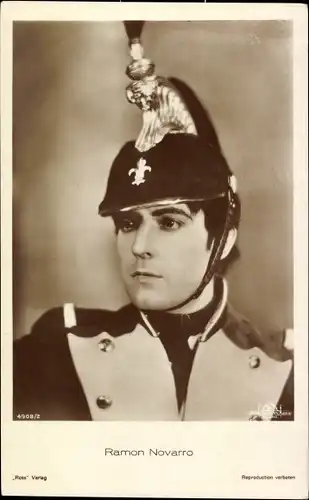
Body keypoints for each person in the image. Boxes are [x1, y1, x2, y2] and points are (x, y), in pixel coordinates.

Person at [13, 22, 294, 422]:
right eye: (128, 223)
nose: (140, 245)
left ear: (224, 238)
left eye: (169, 222)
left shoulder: (288, 372)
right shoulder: (53, 355)